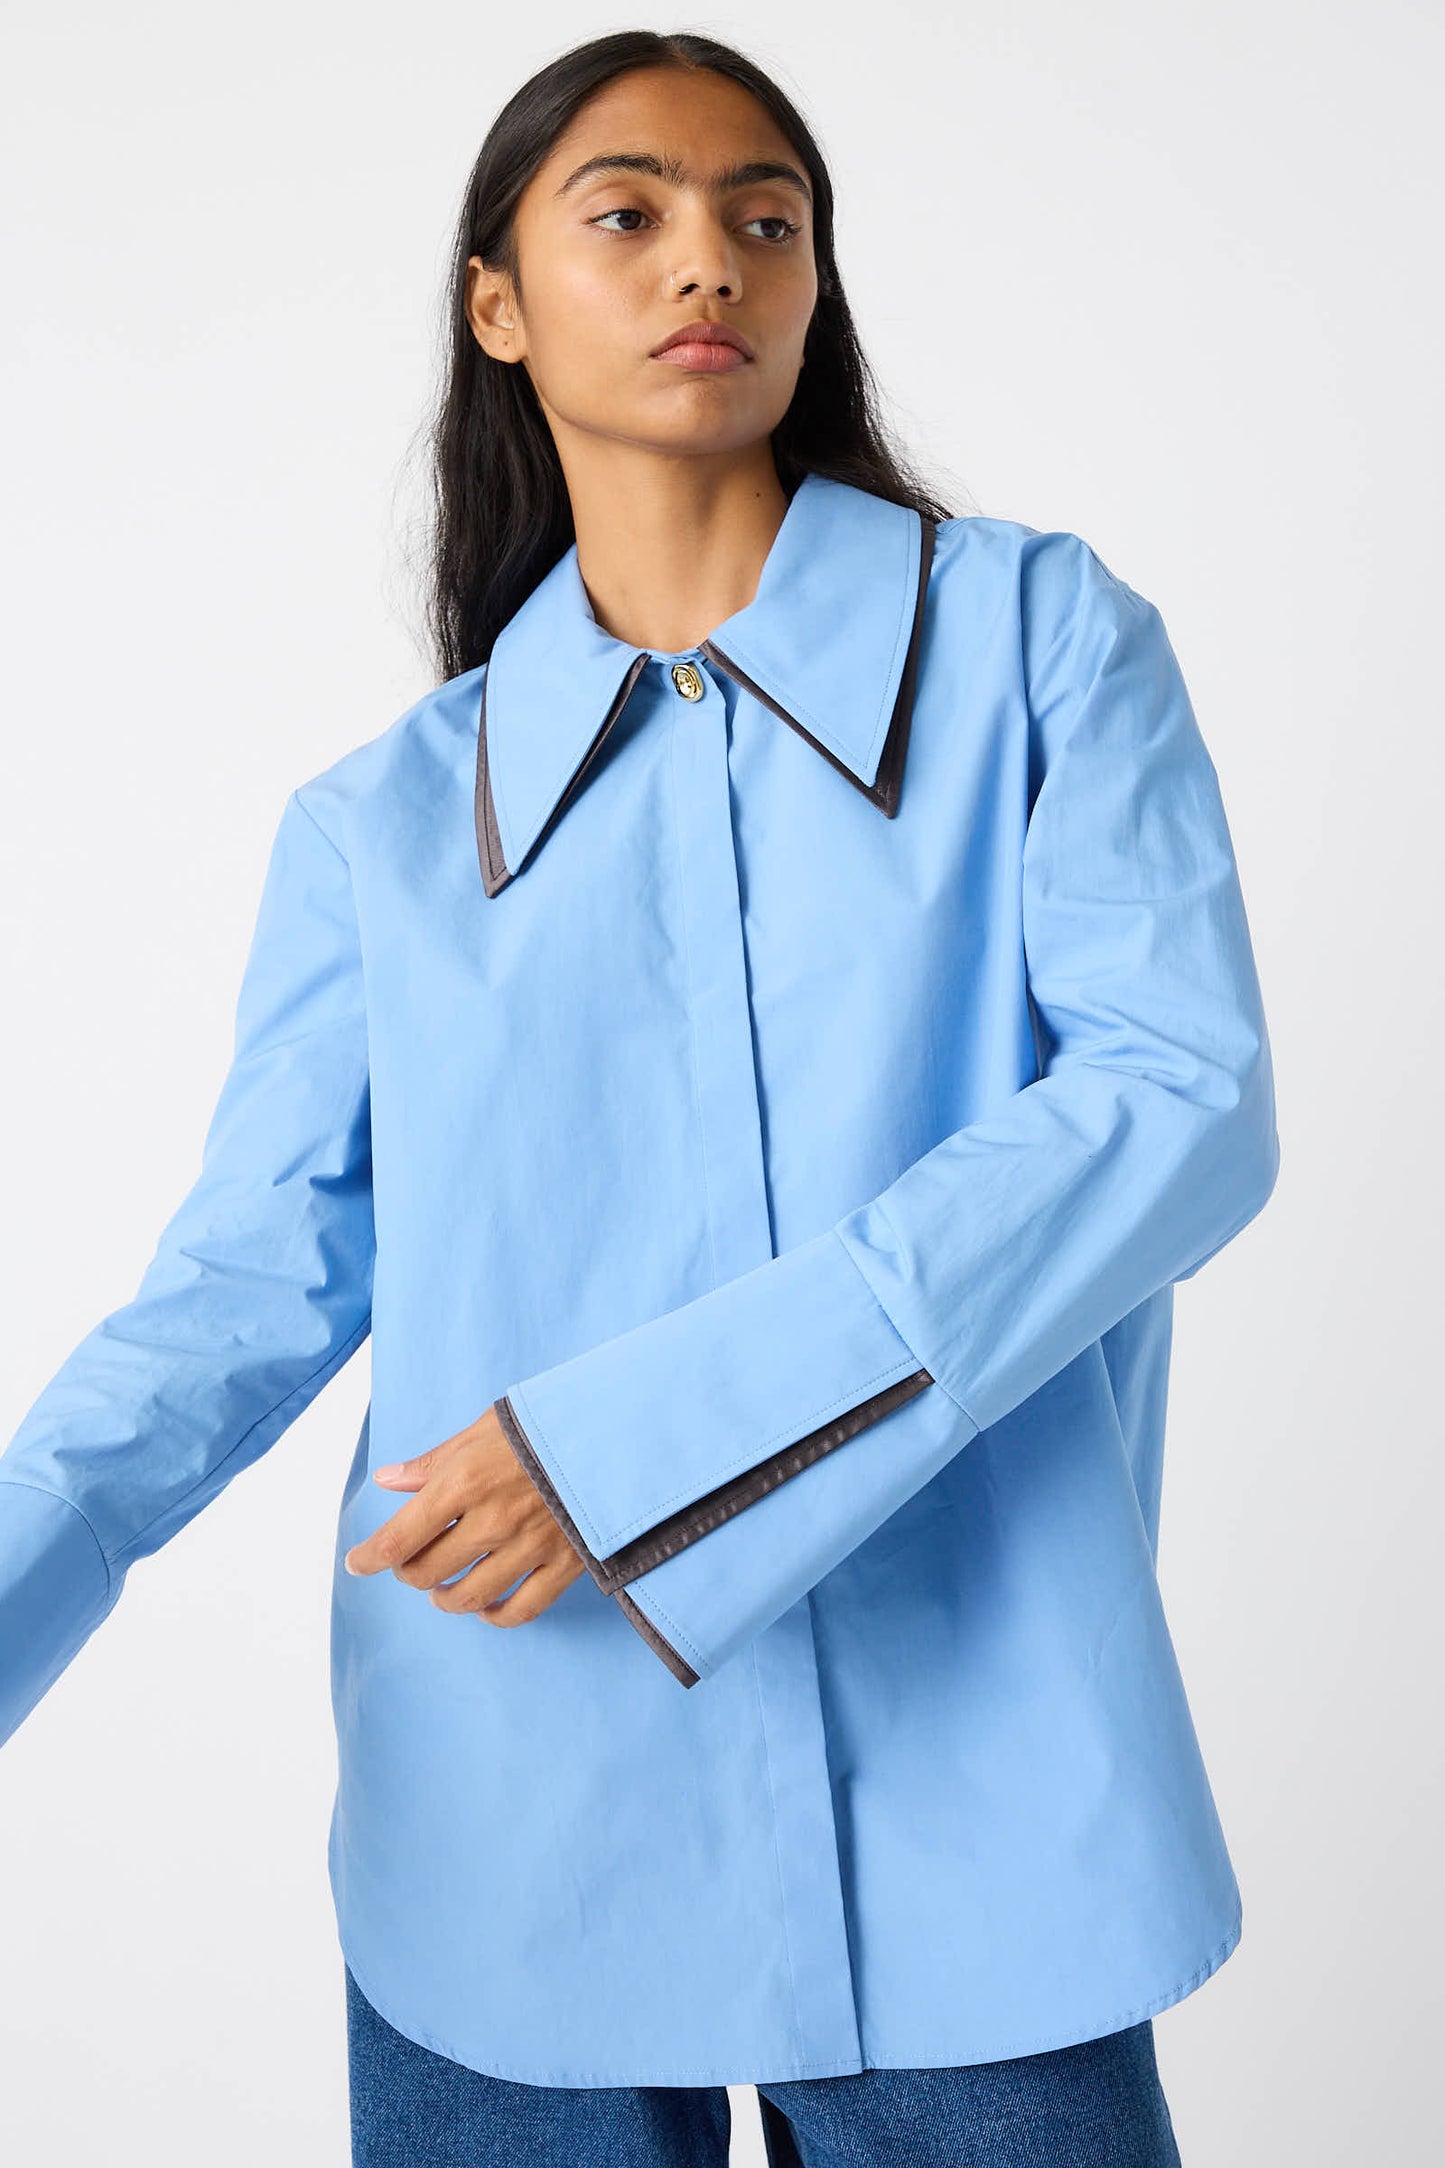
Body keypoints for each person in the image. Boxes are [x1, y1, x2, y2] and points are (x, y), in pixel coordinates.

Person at [0, 28, 1280, 2167]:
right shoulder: (382, 832)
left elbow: (1181, 1099)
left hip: (987, 1798)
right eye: (632, 210)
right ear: (496, 305)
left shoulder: (1046, 648)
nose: (715, 255)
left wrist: (634, 1452)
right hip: (504, 1810)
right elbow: (236, 1300)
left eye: (767, 215)